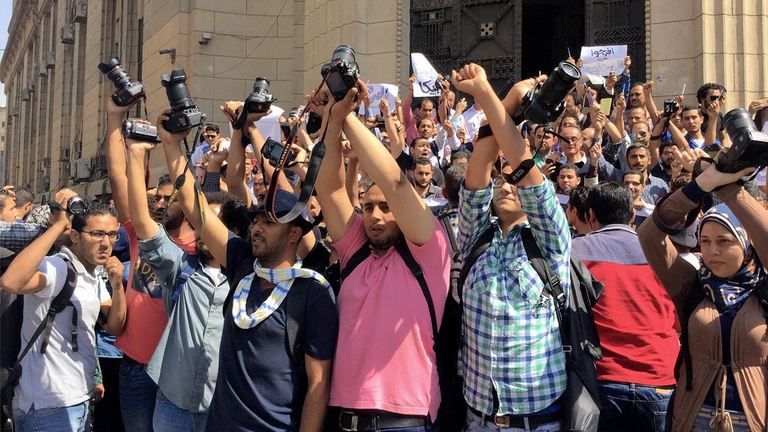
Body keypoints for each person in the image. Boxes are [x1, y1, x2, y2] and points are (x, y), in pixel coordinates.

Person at [156, 106, 338, 432]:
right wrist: (170, 145)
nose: (257, 228)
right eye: (256, 220)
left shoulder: (312, 293)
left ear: (295, 233)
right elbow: (195, 207)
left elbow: (318, 385)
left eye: (269, 222)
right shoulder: (242, 262)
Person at [313, 75, 450, 431]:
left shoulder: (430, 249)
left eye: (386, 208)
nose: (375, 216)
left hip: (405, 419)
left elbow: (393, 181)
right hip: (343, 416)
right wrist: (332, 118)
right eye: (368, 207)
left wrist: (347, 115)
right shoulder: (356, 248)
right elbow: (328, 190)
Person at [453, 64, 570, 430]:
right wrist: (503, 101)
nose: (506, 186)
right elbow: (478, 174)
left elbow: (522, 166)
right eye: (500, 182)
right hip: (478, 417)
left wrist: (492, 97)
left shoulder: (550, 240)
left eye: (514, 184)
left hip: (537, 419)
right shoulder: (475, 237)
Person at [638, 160, 767, 432]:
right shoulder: (693, 285)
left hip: (755, 420)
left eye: (724, 241)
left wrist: (730, 189)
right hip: (693, 417)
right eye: (705, 241)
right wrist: (699, 187)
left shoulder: (763, 288)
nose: (712, 251)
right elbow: (649, 236)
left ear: (746, 245)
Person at [1, 197, 126, 432]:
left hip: (80, 399)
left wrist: (117, 285)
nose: (106, 243)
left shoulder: (92, 276)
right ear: (76, 236)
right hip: (47, 406)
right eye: (97, 234)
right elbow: (11, 281)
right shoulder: (58, 267)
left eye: (112, 234)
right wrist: (58, 226)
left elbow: (114, 326)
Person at [571, 182, 678, 432]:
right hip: (660, 377)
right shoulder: (663, 252)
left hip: (603, 379)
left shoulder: (574, 252)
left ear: (589, 215)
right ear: (632, 216)